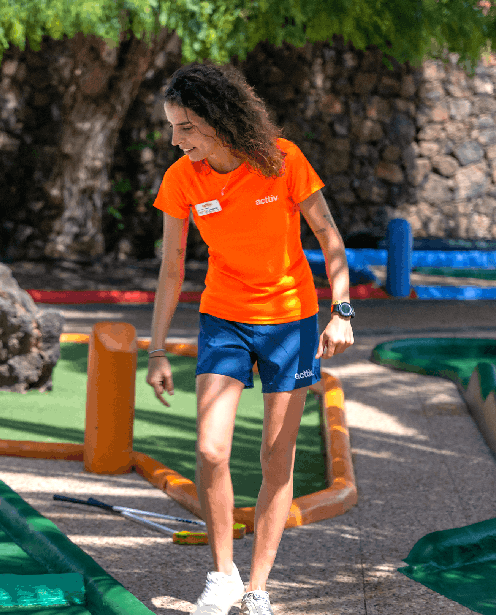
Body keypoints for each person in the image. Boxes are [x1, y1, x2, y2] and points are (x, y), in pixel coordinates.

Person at [144, 64, 354, 615]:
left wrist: (341, 311)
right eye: (172, 127)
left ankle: (258, 587)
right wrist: (157, 349)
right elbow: (172, 268)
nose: (176, 140)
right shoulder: (182, 179)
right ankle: (223, 575)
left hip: (291, 322)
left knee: (275, 458)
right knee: (211, 450)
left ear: (217, 120)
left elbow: (328, 234)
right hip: (224, 319)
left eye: (186, 127)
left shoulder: (282, 159)